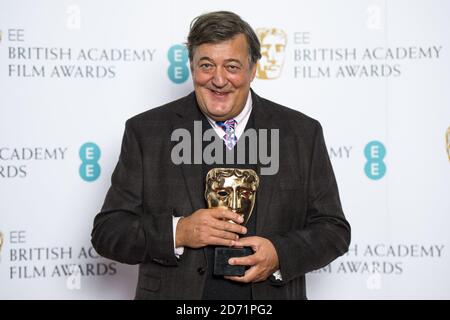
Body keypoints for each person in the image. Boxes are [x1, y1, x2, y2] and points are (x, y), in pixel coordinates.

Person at [91, 11, 350, 300]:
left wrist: (279, 253)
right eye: (206, 65)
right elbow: (108, 232)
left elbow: (333, 230)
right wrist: (179, 231)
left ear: (253, 70)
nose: (218, 79)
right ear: (191, 68)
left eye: (232, 66)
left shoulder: (301, 133)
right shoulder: (146, 132)